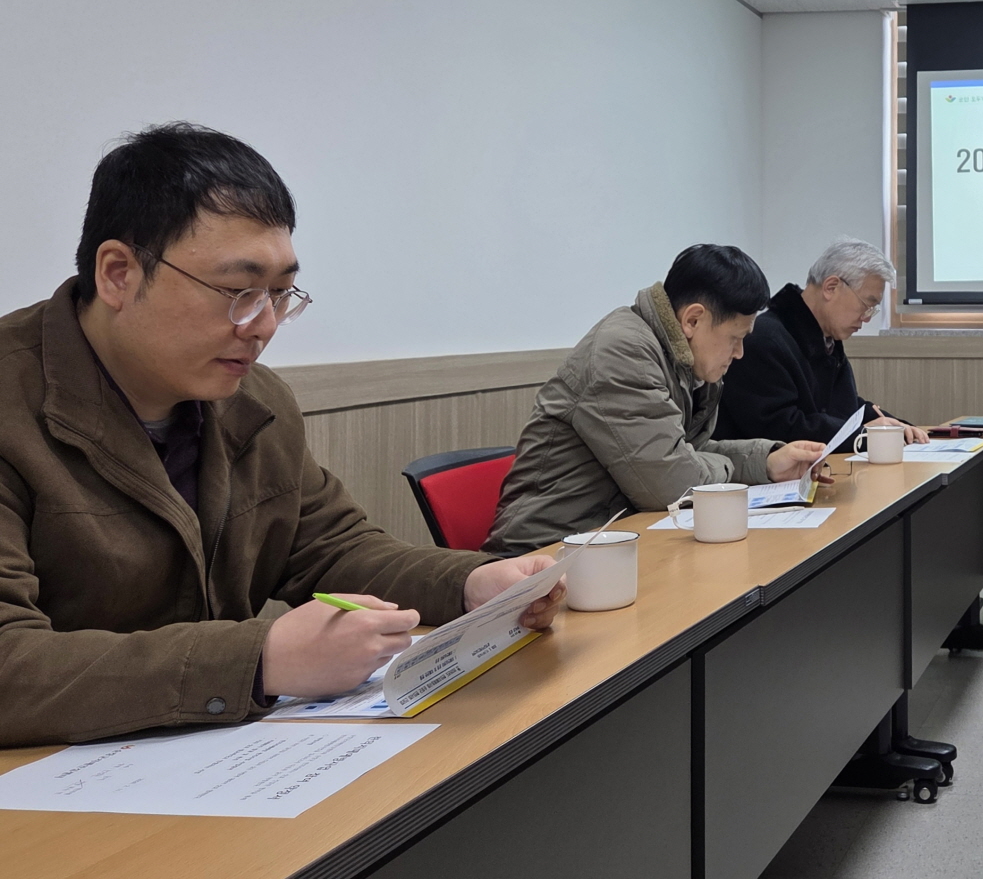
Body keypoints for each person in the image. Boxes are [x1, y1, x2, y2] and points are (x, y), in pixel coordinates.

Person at [0, 123, 563, 749]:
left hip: (206, 758)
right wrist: (260, 659)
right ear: (118, 274)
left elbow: (330, 549)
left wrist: (470, 584)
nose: (264, 325)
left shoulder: (254, 401)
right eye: (237, 291)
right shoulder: (14, 403)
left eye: (278, 293)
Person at [485, 244, 831, 556]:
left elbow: (686, 453)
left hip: (606, 541)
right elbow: (673, 483)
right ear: (693, 319)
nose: (739, 353)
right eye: (735, 338)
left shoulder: (680, 357)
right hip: (544, 554)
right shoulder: (623, 352)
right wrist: (727, 468)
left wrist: (767, 461)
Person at [716, 237, 926, 447]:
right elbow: (782, 428)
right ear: (831, 287)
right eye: (866, 305)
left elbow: (845, 407)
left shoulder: (826, 339)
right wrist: (864, 435)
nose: (867, 318)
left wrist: (898, 428)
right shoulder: (763, 340)